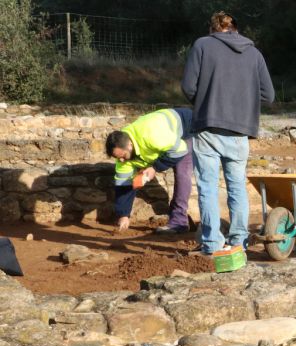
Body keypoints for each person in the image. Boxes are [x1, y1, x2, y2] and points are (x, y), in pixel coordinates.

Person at [181, 11, 275, 255]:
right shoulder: (254, 53)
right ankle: (239, 243)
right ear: (236, 29)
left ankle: (212, 244)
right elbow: (269, 95)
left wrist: (205, 102)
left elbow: (188, 87)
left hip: (208, 128)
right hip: (240, 131)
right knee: (237, 188)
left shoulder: (202, 45)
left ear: (213, 29)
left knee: (208, 188)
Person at [106, 108, 193, 234]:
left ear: (130, 145)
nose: (121, 161)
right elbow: (124, 185)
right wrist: (123, 215)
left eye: (123, 156)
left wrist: (155, 167)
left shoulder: (151, 135)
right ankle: (177, 217)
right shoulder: (122, 153)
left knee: (182, 173)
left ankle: (179, 222)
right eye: (118, 158)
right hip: (164, 137)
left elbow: (180, 150)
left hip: (186, 127)